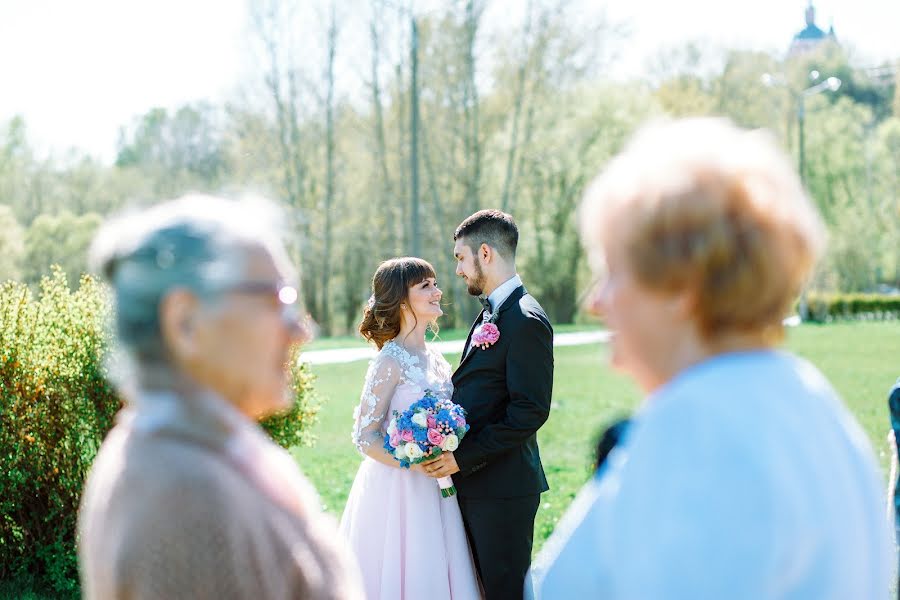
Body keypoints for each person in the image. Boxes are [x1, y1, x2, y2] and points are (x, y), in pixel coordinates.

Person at [528, 118, 891, 599]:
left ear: (682, 286)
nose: (596, 302)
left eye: (613, 271)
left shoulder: (700, 429)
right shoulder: (808, 401)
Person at [78, 195, 363, 600]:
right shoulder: (189, 502)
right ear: (186, 323)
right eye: (275, 299)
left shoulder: (189, 452)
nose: (301, 330)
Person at [422, 210, 554, 600]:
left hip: (503, 489)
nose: (459, 270)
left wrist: (465, 457)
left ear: (485, 253)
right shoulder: (493, 313)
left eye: (461, 258)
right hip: (481, 486)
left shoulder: (525, 319)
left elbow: (529, 410)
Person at [339, 257, 481, 600]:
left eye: (434, 284)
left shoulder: (435, 356)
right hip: (398, 490)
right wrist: (411, 460)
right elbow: (365, 436)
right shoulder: (389, 361)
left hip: (439, 483)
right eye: (426, 286)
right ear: (402, 300)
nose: (438, 292)